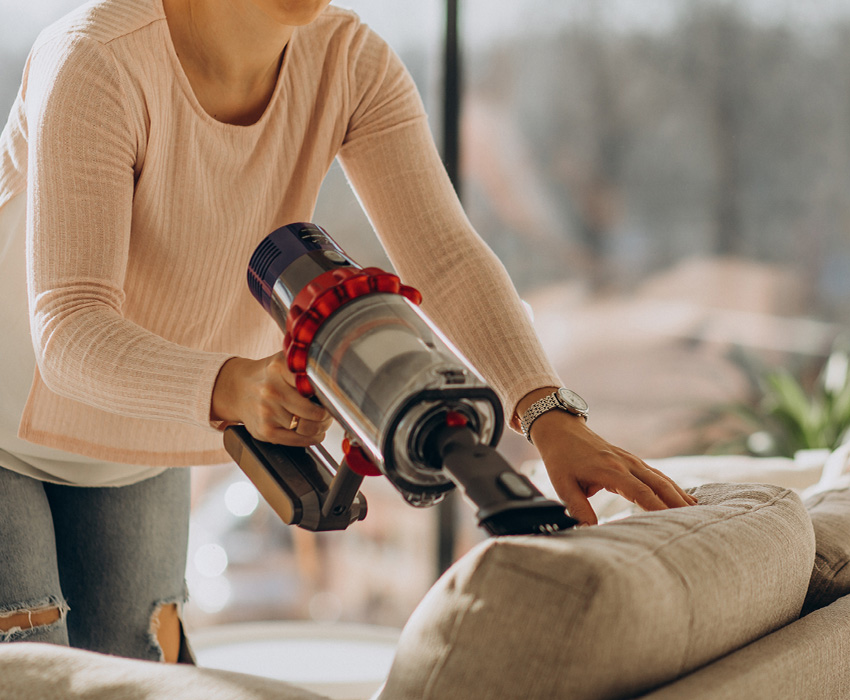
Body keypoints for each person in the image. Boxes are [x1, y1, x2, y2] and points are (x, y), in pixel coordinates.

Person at [0, 0, 695, 663]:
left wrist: (548, 412)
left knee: (131, 679)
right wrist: (237, 383)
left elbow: (446, 261)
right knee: (34, 675)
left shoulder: (349, 62)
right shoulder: (96, 59)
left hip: (138, 438)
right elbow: (70, 326)